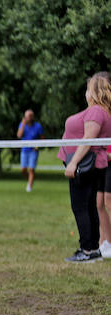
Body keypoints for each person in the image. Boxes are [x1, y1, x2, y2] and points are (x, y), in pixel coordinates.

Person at [57, 72, 111, 263]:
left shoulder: (96, 111)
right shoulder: (98, 111)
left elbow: (89, 139)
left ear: (95, 91)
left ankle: (87, 250)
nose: (85, 93)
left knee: (81, 206)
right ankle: (92, 249)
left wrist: (73, 162)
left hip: (86, 165)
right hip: (91, 164)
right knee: (88, 206)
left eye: (88, 89)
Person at [17, 110, 44, 192]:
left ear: (32, 117)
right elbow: (19, 135)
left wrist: (37, 146)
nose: (26, 118)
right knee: (23, 169)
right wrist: (23, 124)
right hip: (24, 150)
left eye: (28, 116)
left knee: (31, 169)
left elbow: (42, 138)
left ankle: (29, 187)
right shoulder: (22, 125)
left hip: (33, 150)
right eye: (25, 116)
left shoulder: (38, 126)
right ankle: (29, 180)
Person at [99, 145, 111, 258]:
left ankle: (109, 242)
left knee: (108, 202)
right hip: (102, 163)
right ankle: (103, 242)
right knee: (99, 203)